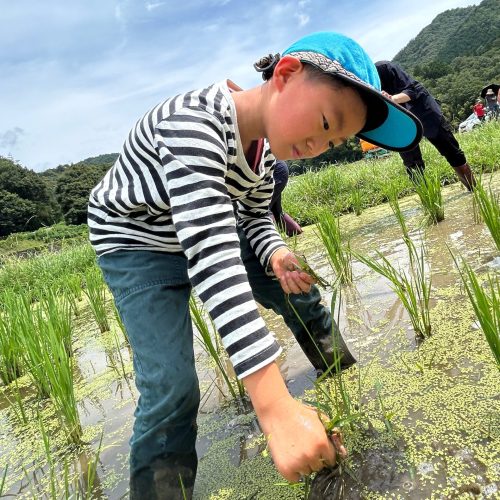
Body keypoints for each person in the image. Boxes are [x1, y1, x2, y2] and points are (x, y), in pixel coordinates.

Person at [88, 32, 422, 499]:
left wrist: (277, 254)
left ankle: (343, 378)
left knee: (299, 287)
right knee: (172, 387)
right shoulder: (192, 122)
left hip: (210, 227)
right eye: (327, 121)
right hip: (140, 244)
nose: (322, 144)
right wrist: (274, 408)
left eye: (336, 140)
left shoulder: (265, 159)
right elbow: (211, 251)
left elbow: (252, 218)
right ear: (285, 75)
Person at [375, 60, 476, 191]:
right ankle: (429, 203)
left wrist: (392, 99)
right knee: (412, 165)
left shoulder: (384, 68)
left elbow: (412, 90)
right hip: (399, 121)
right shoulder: (355, 86)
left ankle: (474, 189)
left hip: (423, 109)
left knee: (451, 151)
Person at [269, 160, 303, 236]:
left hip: (275, 171)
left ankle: (270, 241)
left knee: (263, 209)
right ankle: (296, 232)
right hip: (279, 170)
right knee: (277, 212)